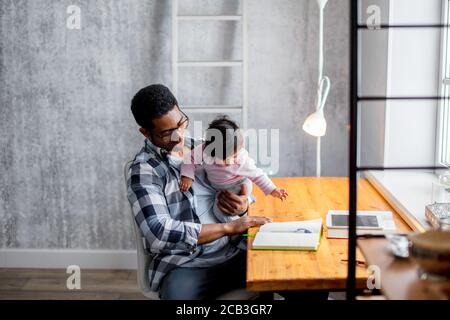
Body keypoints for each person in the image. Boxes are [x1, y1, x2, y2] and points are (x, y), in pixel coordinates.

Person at [127, 84, 272, 300]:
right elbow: (159, 233)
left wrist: (243, 206)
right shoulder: (145, 170)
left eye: (181, 123)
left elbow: (243, 180)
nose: (179, 137)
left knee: (302, 277)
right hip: (187, 266)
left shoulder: (205, 147)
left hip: (235, 252)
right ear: (146, 132)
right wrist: (228, 227)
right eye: (167, 133)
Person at [179, 115, 288, 223]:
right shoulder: (203, 150)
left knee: (219, 211)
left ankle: (237, 223)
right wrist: (187, 175)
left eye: (234, 155)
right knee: (222, 204)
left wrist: (272, 189)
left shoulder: (241, 160)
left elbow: (258, 175)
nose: (231, 161)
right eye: (224, 158)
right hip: (218, 187)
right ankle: (249, 200)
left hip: (238, 184)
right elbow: (190, 158)